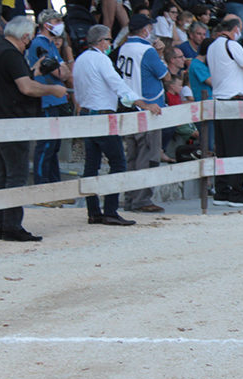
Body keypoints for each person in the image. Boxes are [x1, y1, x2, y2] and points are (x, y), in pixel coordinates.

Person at [75, 26, 164, 226]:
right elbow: (119, 85)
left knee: (91, 165)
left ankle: (94, 211)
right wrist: (142, 103)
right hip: (103, 115)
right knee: (117, 163)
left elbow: (79, 92)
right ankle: (110, 210)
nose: (109, 43)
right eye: (107, 39)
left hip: (87, 114)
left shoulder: (80, 60)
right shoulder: (102, 60)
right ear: (101, 41)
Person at [0, 17, 67, 241]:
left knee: (4, 175)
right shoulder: (10, 54)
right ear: (25, 36)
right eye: (28, 39)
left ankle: (3, 225)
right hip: (14, 121)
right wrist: (53, 89)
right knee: (17, 175)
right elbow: (25, 87)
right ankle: (12, 226)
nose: (28, 43)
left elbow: (12, 83)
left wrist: (33, 72)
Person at [117, 14, 172, 214]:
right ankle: (142, 199)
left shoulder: (124, 47)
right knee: (148, 156)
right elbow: (165, 75)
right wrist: (160, 53)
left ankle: (132, 198)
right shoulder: (147, 51)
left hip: (130, 105)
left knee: (132, 156)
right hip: (148, 106)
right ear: (145, 29)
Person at [207, 18, 243, 207]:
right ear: (236, 29)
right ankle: (237, 193)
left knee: (223, 149)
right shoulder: (231, 45)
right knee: (237, 149)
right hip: (235, 102)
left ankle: (222, 191)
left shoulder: (212, 46)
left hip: (219, 101)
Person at [26, 10, 74, 194]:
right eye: (56, 21)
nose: (59, 24)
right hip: (46, 100)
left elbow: (66, 72)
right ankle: (41, 187)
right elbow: (61, 73)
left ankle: (53, 186)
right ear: (46, 24)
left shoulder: (50, 44)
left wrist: (63, 68)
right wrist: (63, 69)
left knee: (54, 147)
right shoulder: (39, 44)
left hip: (55, 100)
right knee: (46, 146)